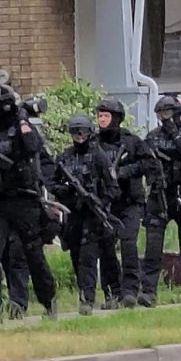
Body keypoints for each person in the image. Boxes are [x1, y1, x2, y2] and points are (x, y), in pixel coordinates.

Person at [0, 83, 57, 325]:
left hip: (24, 202)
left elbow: (33, 147)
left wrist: (23, 118)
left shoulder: (19, 128)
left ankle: (48, 301)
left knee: (33, 255)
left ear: (4, 106)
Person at [49, 114, 120, 315]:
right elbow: (52, 183)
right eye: (75, 132)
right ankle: (85, 293)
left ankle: (92, 298)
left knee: (94, 256)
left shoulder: (99, 156)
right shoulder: (65, 158)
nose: (79, 136)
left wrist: (100, 203)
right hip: (74, 214)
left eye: (82, 132)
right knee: (76, 255)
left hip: (95, 215)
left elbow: (113, 187)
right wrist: (68, 191)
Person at [95, 98, 159, 308]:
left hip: (130, 202)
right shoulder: (94, 143)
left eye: (106, 116)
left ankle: (130, 290)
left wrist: (124, 172)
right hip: (106, 204)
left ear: (116, 119)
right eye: (100, 116)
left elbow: (150, 163)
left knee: (128, 243)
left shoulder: (131, 142)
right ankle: (112, 292)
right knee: (106, 247)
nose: (102, 120)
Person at [140, 96, 181, 307]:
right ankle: (148, 292)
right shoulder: (153, 137)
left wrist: (176, 137)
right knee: (153, 245)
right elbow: (143, 162)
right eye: (160, 115)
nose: (163, 119)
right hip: (160, 194)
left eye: (166, 114)